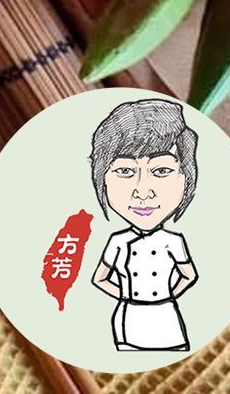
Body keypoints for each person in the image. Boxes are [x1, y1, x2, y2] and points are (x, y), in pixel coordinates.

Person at [87, 99, 199, 351]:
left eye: (161, 171)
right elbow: (99, 278)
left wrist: (167, 296)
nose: (142, 192)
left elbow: (189, 274)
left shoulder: (173, 241)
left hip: (165, 314)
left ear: (186, 176)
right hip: (129, 315)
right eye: (125, 171)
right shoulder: (118, 241)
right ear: (102, 178)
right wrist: (127, 297)